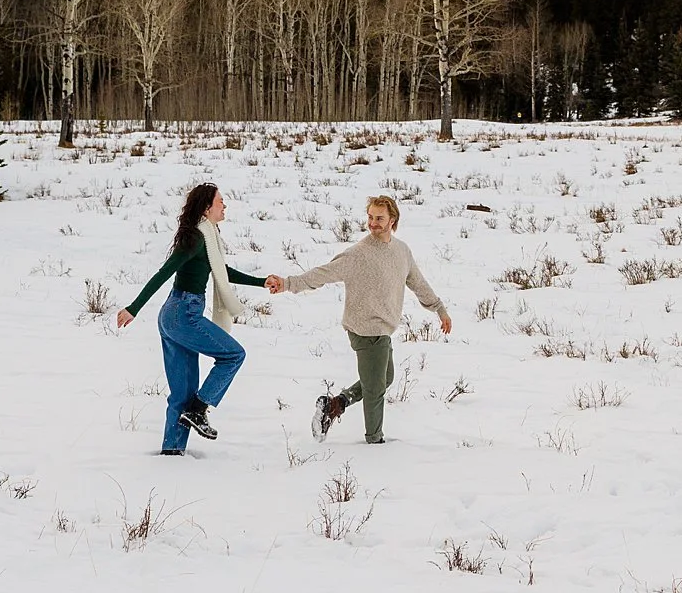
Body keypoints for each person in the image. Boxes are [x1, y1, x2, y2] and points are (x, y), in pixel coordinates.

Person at [269, 194, 450, 444]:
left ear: (392, 220)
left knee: (384, 379)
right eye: (370, 217)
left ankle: (335, 405)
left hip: (383, 329)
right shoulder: (357, 255)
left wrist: (439, 308)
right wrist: (288, 283)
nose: (373, 223)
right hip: (366, 330)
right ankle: (374, 441)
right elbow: (322, 274)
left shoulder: (401, 251)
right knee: (375, 390)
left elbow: (418, 283)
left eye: (379, 218)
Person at [118, 183, 272, 455]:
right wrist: (134, 307)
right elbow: (165, 272)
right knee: (233, 355)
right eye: (220, 201)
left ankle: (172, 453)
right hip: (183, 314)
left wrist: (261, 282)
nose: (224, 206)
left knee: (181, 396)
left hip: (174, 315)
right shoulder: (197, 239)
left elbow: (221, 271)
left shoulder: (207, 238)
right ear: (206, 207)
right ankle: (199, 410)